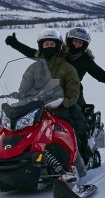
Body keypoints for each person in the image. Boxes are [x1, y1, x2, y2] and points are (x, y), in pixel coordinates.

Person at [20, 29, 83, 176]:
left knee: (73, 124)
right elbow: (24, 88)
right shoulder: (33, 67)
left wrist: (64, 102)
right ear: (41, 46)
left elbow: (73, 92)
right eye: (46, 43)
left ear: (58, 46)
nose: (49, 46)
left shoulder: (67, 68)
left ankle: (77, 161)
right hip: (36, 108)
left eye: (52, 43)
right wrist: (23, 97)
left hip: (58, 106)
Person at [5, 27, 105, 107]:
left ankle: (83, 140)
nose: (77, 44)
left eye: (80, 43)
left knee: (78, 115)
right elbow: (36, 54)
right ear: (69, 41)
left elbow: (103, 77)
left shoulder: (86, 61)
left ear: (84, 45)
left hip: (73, 92)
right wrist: (16, 44)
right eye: (75, 41)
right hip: (50, 91)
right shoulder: (59, 53)